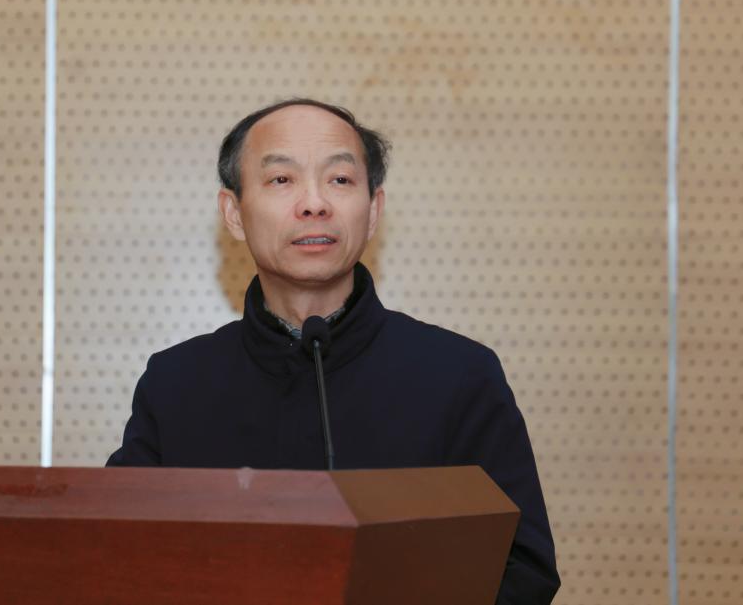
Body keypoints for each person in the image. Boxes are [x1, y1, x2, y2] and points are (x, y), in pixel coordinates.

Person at [107, 98, 560, 604]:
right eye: (282, 179)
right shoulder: (176, 385)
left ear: (373, 211)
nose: (314, 203)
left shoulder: (459, 376)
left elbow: (522, 570)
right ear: (234, 213)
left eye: (340, 180)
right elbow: (113, 560)